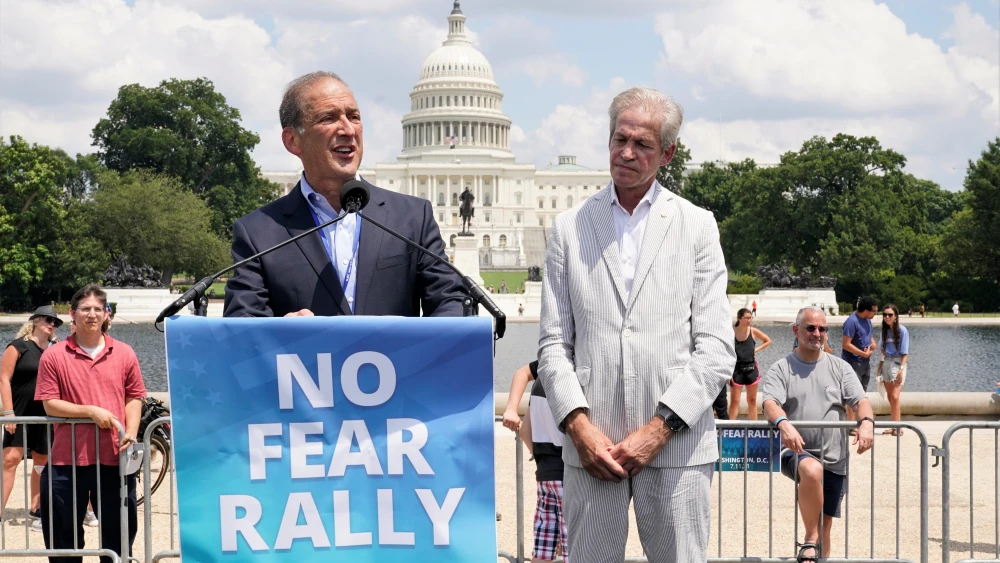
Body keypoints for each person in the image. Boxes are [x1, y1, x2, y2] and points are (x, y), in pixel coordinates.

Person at [538, 87, 735, 563]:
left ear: (667, 153)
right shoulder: (569, 227)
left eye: (642, 144)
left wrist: (658, 429)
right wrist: (579, 428)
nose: (626, 153)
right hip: (592, 453)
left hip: (676, 448)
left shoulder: (698, 225)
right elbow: (552, 345)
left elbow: (716, 349)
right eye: (618, 139)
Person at [224, 71, 467, 318]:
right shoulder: (258, 233)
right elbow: (242, 325)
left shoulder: (412, 218)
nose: (348, 130)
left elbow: (452, 302)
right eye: (328, 118)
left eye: (354, 117)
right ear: (293, 141)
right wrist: (282, 333)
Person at [34, 285, 146, 563]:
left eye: (98, 309)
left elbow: (134, 396)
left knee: (119, 538)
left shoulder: (124, 352)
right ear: (72, 314)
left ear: (107, 314)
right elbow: (49, 403)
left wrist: (130, 432)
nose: (92, 314)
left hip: (114, 458)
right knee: (63, 541)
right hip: (66, 460)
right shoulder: (54, 355)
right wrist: (89, 411)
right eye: (85, 309)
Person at [761, 306, 875, 562]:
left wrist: (866, 422)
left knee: (825, 529)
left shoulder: (840, 367)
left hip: (835, 457)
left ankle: (814, 548)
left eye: (822, 329)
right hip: (796, 451)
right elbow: (770, 403)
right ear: (796, 330)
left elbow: (861, 401)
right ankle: (808, 540)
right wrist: (784, 423)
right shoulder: (782, 368)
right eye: (810, 328)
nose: (817, 333)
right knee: (812, 471)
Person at [502, 361, 569, 563]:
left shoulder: (547, 366)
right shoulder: (574, 370)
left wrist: (512, 409)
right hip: (571, 474)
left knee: (542, 551)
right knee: (575, 550)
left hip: (545, 475)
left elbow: (524, 431)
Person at [1, 306, 59, 526]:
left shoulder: (55, 349)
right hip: (19, 412)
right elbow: (3, 379)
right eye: (47, 319)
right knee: (10, 460)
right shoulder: (18, 346)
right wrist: (8, 413)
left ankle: (37, 509)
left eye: (55, 321)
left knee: (41, 461)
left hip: (46, 415)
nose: (51, 324)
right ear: (35, 320)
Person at [728, 308, 772, 420]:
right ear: (739, 318)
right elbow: (724, 352)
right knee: (734, 401)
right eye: (746, 318)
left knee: (752, 401)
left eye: (750, 318)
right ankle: (729, 427)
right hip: (736, 370)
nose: (749, 320)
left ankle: (754, 426)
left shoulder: (753, 331)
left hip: (751, 369)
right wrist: (728, 373)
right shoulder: (730, 332)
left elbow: (768, 340)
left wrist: (755, 350)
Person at [841, 296, 878, 426]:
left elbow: (869, 335)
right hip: (852, 362)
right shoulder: (852, 321)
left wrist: (872, 343)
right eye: (874, 311)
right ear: (866, 310)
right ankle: (851, 425)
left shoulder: (867, 320)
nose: (876, 313)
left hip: (865, 362)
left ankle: (859, 422)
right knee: (852, 395)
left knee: (862, 393)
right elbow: (845, 344)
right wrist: (863, 353)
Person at [877, 304, 909, 435]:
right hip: (886, 363)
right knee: (890, 397)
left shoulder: (902, 330)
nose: (887, 317)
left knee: (895, 396)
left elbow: (905, 353)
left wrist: (901, 369)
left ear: (896, 316)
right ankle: (894, 425)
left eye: (890, 315)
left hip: (897, 364)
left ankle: (899, 427)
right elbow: (881, 346)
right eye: (884, 315)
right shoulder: (884, 331)